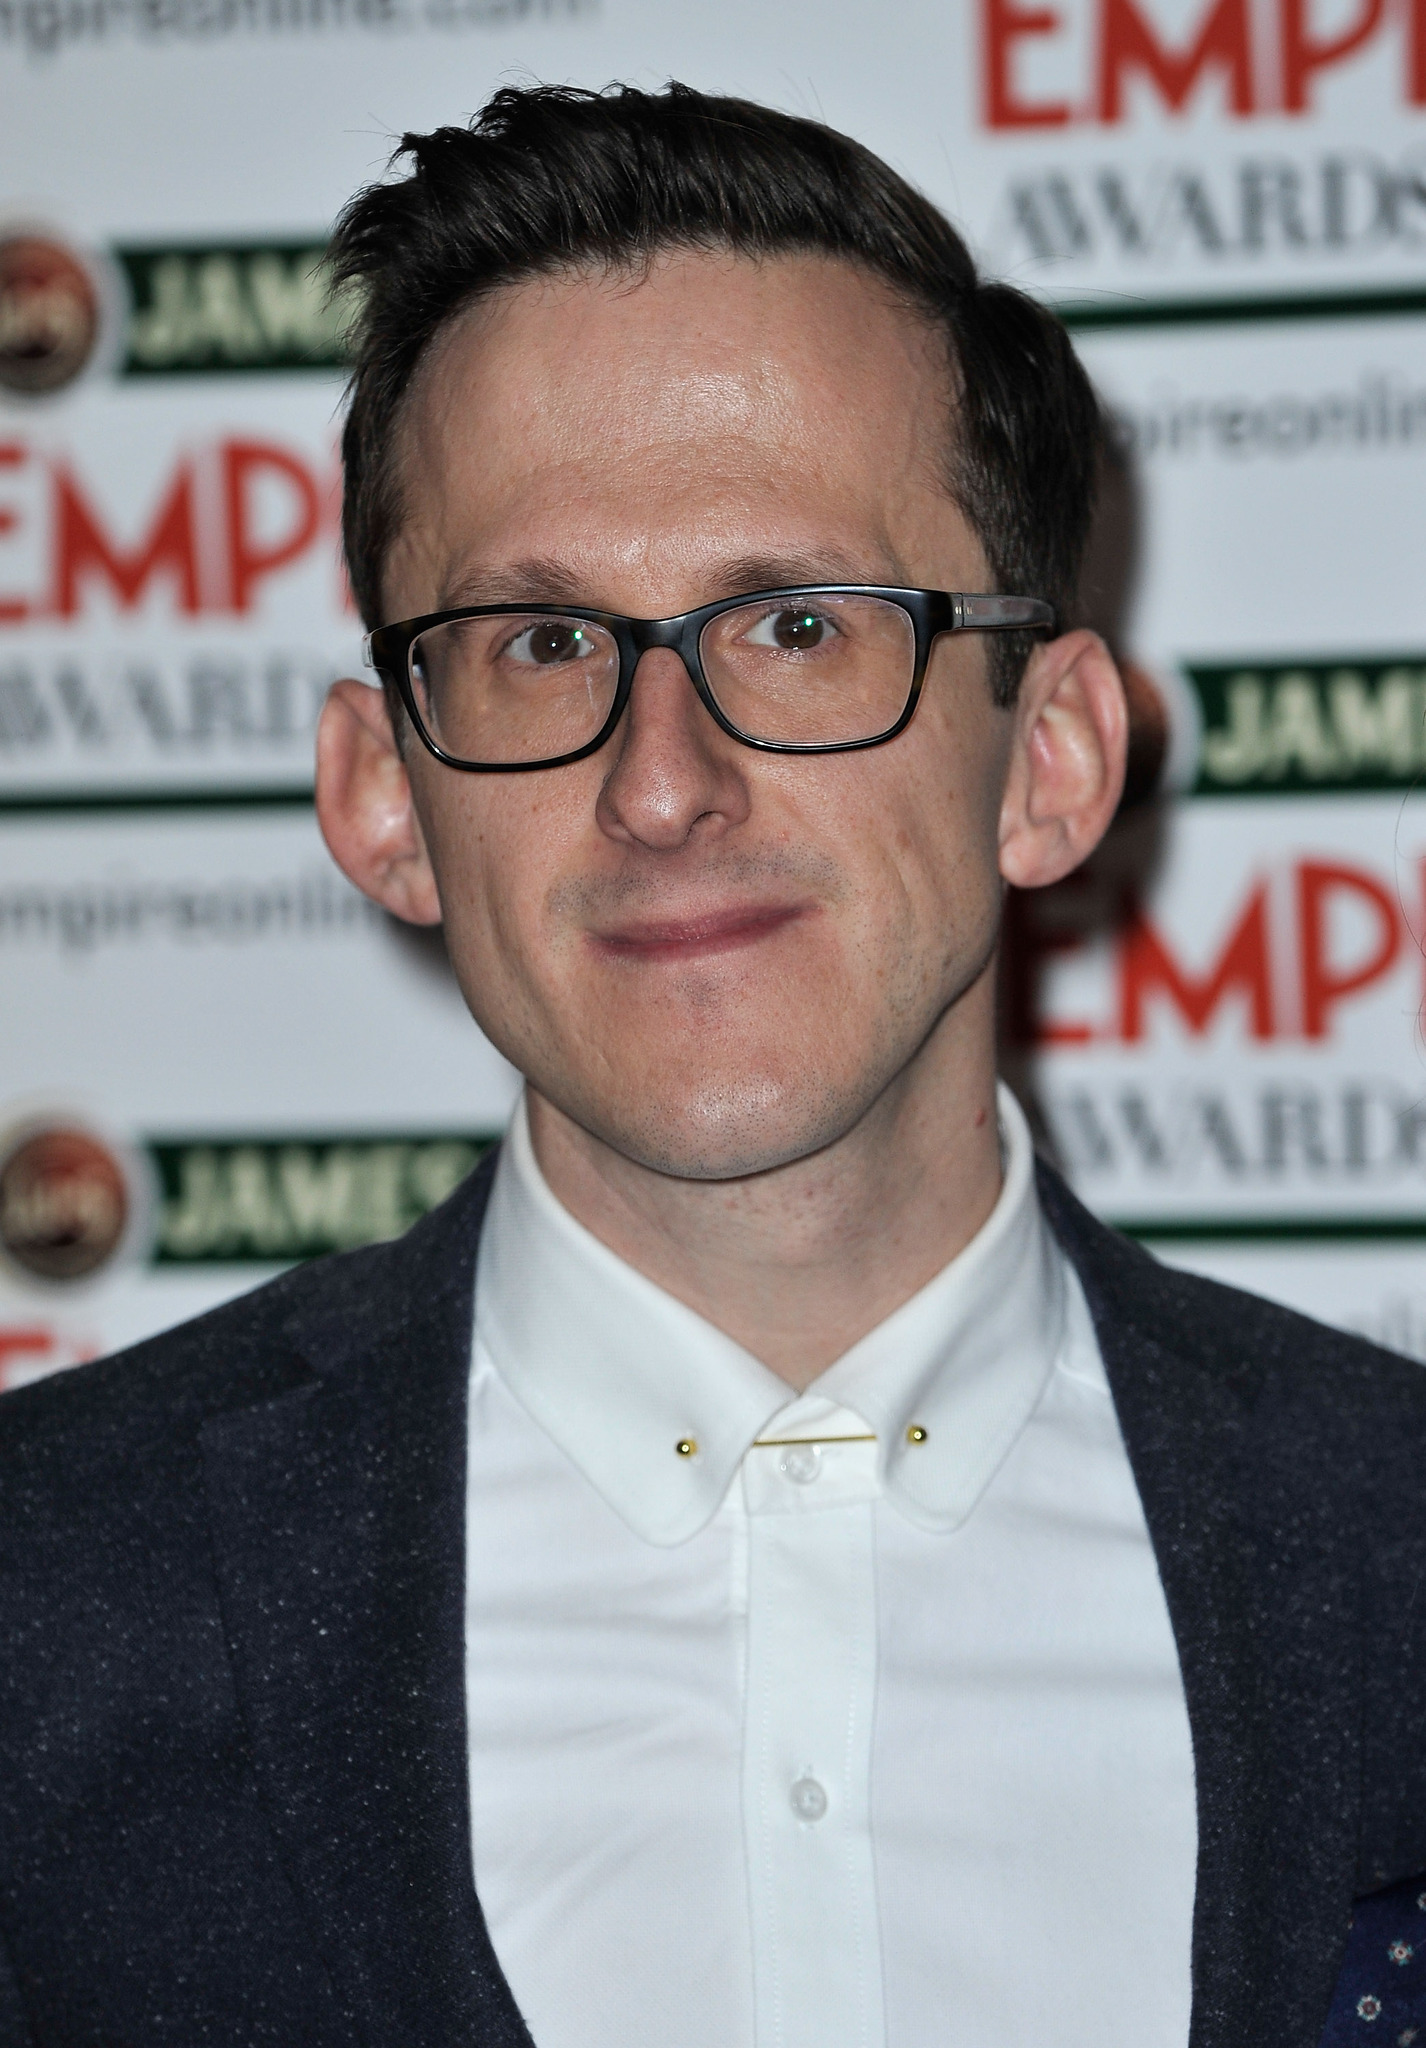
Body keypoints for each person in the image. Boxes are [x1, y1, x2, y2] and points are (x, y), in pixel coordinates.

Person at [0, 82, 1423, 2048]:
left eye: (798, 625)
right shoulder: (43, 1594)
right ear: (383, 798)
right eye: (536, 645)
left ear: (1050, 759)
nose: (661, 783)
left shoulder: (1392, 1541)